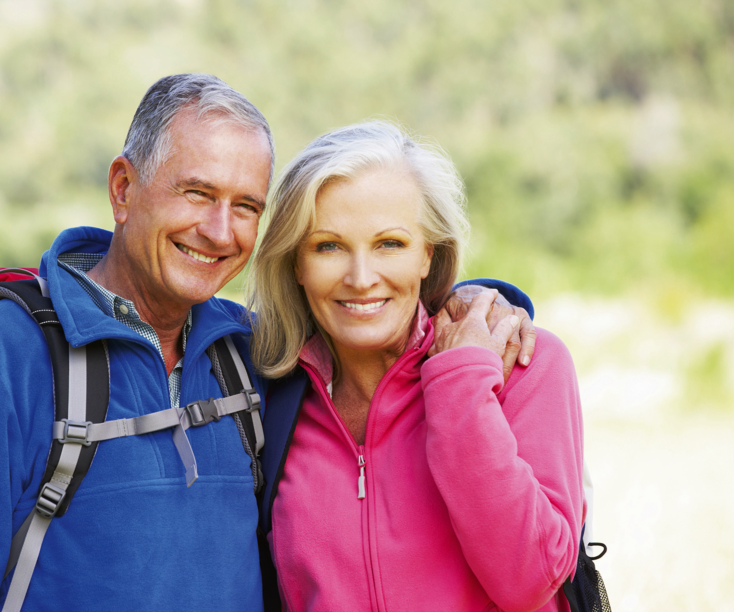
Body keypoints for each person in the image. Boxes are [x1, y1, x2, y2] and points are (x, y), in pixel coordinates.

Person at [0, 74, 533, 610]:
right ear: (123, 189)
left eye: (246, 206)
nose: (220, 231)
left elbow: (370, 304)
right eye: (197, 194)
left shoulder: (251, 353)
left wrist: (481, 298)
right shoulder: (1, 358)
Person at [249, 121, 584, 611]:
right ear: (296, 263)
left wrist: (460, 387)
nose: (361, 278)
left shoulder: (526, 364)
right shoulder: (264, 390)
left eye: (390, 244)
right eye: (328, 246)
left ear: (429, 253)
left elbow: (532, 579)